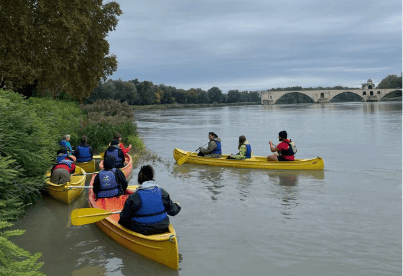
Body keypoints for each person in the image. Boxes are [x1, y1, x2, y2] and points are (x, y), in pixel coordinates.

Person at [118, 165, 181, 235]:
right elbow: (173, 211)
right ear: (152, 177)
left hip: (141, 229)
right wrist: (177, 206)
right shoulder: (163, 193)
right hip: (162, 226)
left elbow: (123, 220)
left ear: (139, 179)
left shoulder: (134, 197)